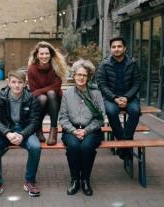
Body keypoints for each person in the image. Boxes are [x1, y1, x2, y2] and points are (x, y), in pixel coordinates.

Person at [0, 70, 41, 199]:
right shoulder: (0, 98)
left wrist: (22, 135)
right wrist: (7, 133)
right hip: (4, 131)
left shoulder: (31, 98)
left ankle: (30, 181)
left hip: (24, 131)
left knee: (36, 147)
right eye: (13, 82)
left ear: (25, 84)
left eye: (20, 82)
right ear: (8, 83)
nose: (17, 85)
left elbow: (34, 122)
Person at [59, 59, 105, 196]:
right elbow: (63, 117)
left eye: (84, 75)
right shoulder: (67, 94)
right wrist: (74, 130)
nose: (81, 77)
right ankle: (74, 180)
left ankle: (85, 179)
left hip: (91, 130)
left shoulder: (95, 93)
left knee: (86, 147)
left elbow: (100, 117)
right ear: (74, 76)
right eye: (78, 74)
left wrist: (86, 130)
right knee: (73, 147)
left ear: (88, 76)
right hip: (71, 130)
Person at [96, 37, 141, 160]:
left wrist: (126, 97)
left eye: (119, 46)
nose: (116, 49)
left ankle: (123, 145)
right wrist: (115, 98)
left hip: (130, 97)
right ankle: (125, 145)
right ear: (110, 49)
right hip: (111, 98)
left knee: (135, 111)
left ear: (124, 48)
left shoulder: (132, 63)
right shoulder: (104, 65)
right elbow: (102, 84)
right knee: (111, 111)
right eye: (114, 47)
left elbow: (137, 83)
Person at [27, 41, 67, 145]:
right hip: (40, 103)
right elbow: (33, 91)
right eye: (41, 53)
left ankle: (53, 130)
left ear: (50, 54)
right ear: (37, 55)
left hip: (55, 102)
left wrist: (42, 91)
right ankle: (38, 128)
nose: (44, 56)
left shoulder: (56, 67)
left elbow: (56, 86)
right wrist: (44, 91)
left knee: (51, 93)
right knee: (43, 98)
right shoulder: (32, 69)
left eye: (46, 53)